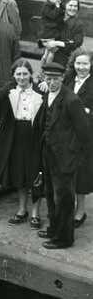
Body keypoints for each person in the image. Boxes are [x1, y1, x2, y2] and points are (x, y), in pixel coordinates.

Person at [0, 59, 45, 228]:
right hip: (16, 135)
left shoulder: (39, 89)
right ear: (13, 75)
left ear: (30, 74)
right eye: (18, 74)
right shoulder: (10, 89)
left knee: (35, 174)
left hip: (34, 135)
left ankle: (35, 213)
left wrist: (46, 87)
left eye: (25, 74)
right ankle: (21, 210)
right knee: (19, 173)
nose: (21, 77)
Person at [37, 61, 89, 249]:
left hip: (65, 159)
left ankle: (64, 238)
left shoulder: (71, 100)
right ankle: (54, 228)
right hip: (49, 155)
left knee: (65, 199)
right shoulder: (47, 95)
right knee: (50, 195)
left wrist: (72, 154)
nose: (51, 82)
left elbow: (84, 133)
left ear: (62, 79)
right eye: (48, 79)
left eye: (55, 79)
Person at [64, 49, 93, 228]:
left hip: (85, 135)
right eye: (78, 63)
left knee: (81, 173)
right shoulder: (67, 79)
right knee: (65, 171)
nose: (81, 67)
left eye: (85, 64)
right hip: (65, 133)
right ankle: (66, 208)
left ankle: (80, 211)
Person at [43, 0, 84, 70]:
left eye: (75, 6)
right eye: (70, 5)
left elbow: (77, 43)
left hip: (64, 57)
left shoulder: (78, 24)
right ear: (65, 6)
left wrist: (57, 43)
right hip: (48, 53)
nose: (73, 8)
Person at [36, 0, 65, 65]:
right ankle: (47, 68)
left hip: (52, 32)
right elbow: (53, 16)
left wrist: (60, 5)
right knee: (52, 52)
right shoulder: (47, 6)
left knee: (46, 53)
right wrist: (58, 7)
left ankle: (42, 70)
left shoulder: (56, 4)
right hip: (48, 33)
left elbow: (62, 12)